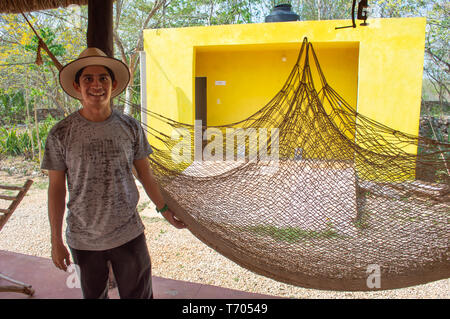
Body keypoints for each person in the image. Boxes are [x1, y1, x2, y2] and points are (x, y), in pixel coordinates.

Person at [41, 47, 186, 299]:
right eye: (88, 79)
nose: (96, 85)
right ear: (77, 86)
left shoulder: (130, 127)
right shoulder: (60, 133)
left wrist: (164, 210)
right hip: (83, 240)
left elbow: (146, 175)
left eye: (103, 78)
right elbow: (55, 189)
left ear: (113, 83)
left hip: (128, 234)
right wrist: (55, 240)